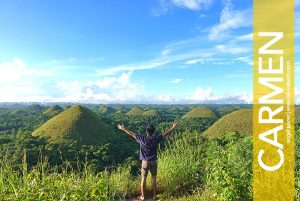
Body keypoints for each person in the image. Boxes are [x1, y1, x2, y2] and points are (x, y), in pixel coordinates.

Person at [117, 120, 180, 201]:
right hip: (153, 161)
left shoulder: (142, 139)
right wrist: (173, 127)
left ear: (147, 131)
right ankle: (154, 196)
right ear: (153, 132)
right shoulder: (156, 139)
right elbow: (165, 133)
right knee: (154, 178)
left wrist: (123, 129)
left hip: (145, 162)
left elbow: (132, 134)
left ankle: (143, 196)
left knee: (143, 179)